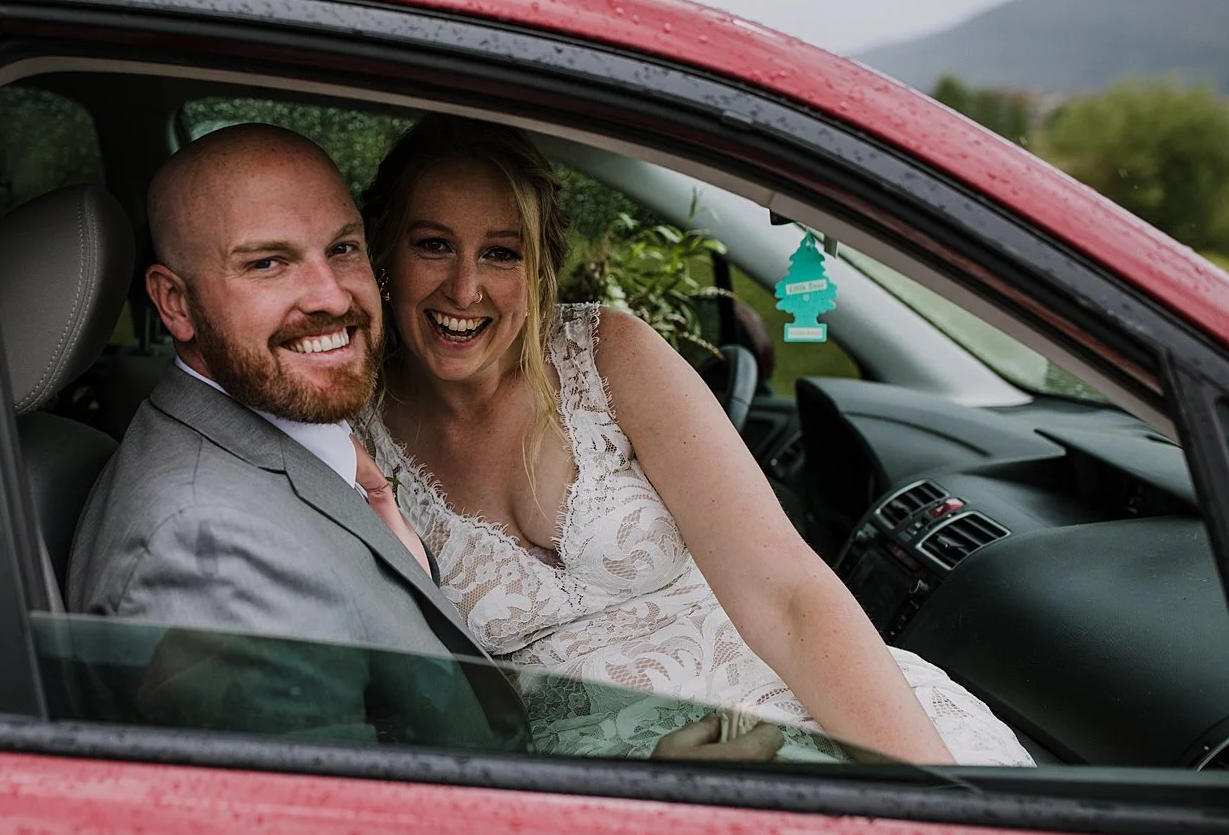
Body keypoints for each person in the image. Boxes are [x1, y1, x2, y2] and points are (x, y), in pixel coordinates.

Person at [64, 123, 781, 761]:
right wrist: (657, 803)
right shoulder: (209, 557)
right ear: (174, 303)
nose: (329, 296)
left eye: (341, 249)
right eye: (268, 263)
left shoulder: (285, 431)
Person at [356, 114, 1035, 765]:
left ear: (536, 270)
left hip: (791, 688)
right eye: (434, 244)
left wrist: (938, 789)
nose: (466, 287)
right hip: (600, 775)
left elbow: (786, 592)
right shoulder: (354, 439)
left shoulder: (607, 354)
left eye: (500, 252)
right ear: (383, 249)